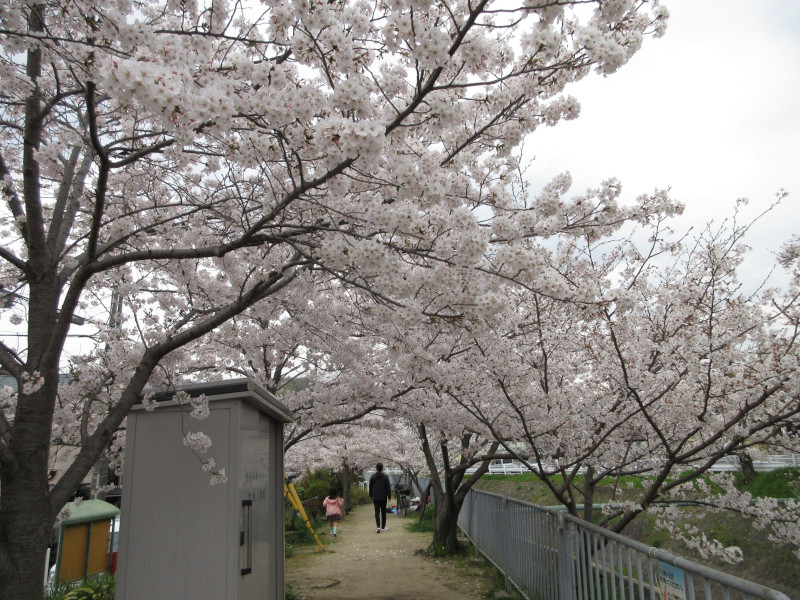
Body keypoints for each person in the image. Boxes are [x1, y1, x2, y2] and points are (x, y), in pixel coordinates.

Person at [368, 462, 391, 533]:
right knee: (383, 512)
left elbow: (370, 487)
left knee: (377, 512)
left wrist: (370, 495)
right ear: (382, 468)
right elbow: (388, 487)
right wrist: (389, 496)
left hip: (375, 497)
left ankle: (378, 527)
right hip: (383, 496)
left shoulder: (372, 476)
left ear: (376, 468)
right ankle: (383, 527)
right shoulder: (385, 477)